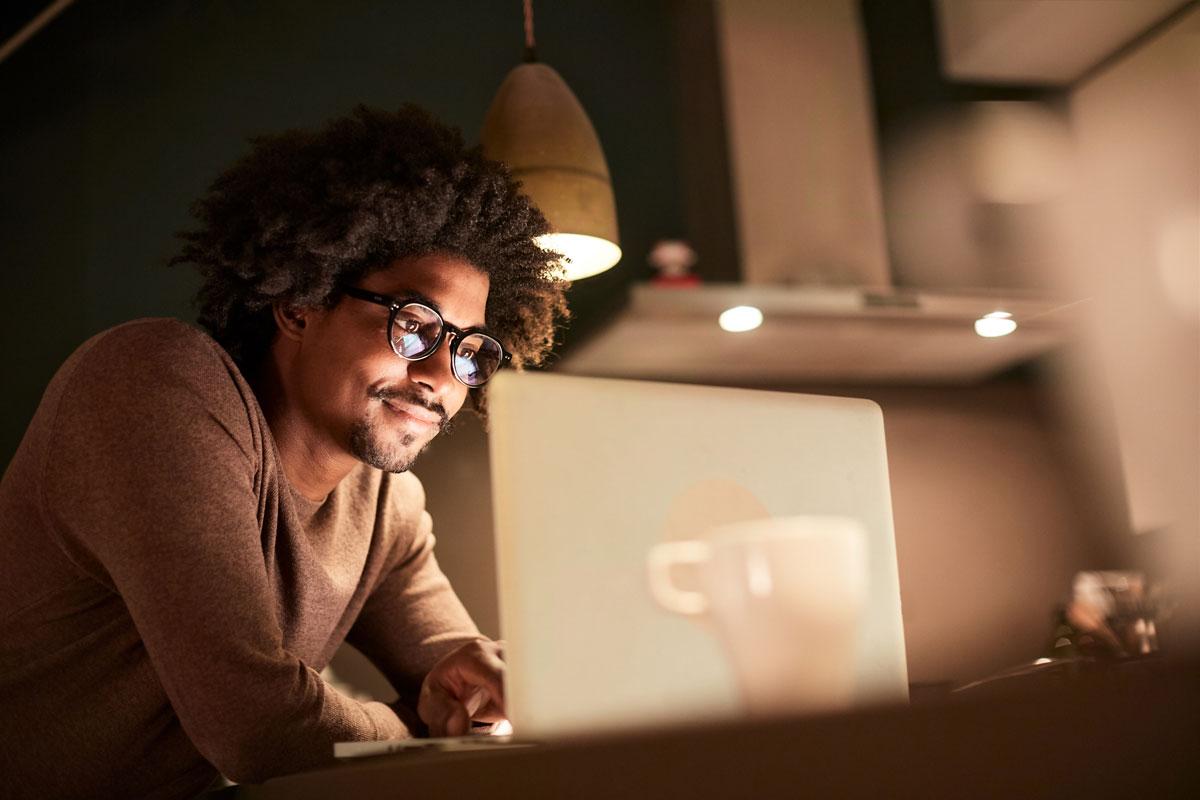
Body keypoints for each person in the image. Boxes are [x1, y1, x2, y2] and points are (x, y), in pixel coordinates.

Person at [0, 104, 569, 798]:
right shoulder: (154, 384)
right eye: (414, 325)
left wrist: (476, 696)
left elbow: (466, 685)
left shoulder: (385, 505)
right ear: (301, 302)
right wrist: (410, 728)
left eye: (468, 349)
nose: (440, 378)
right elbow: (262, 727)